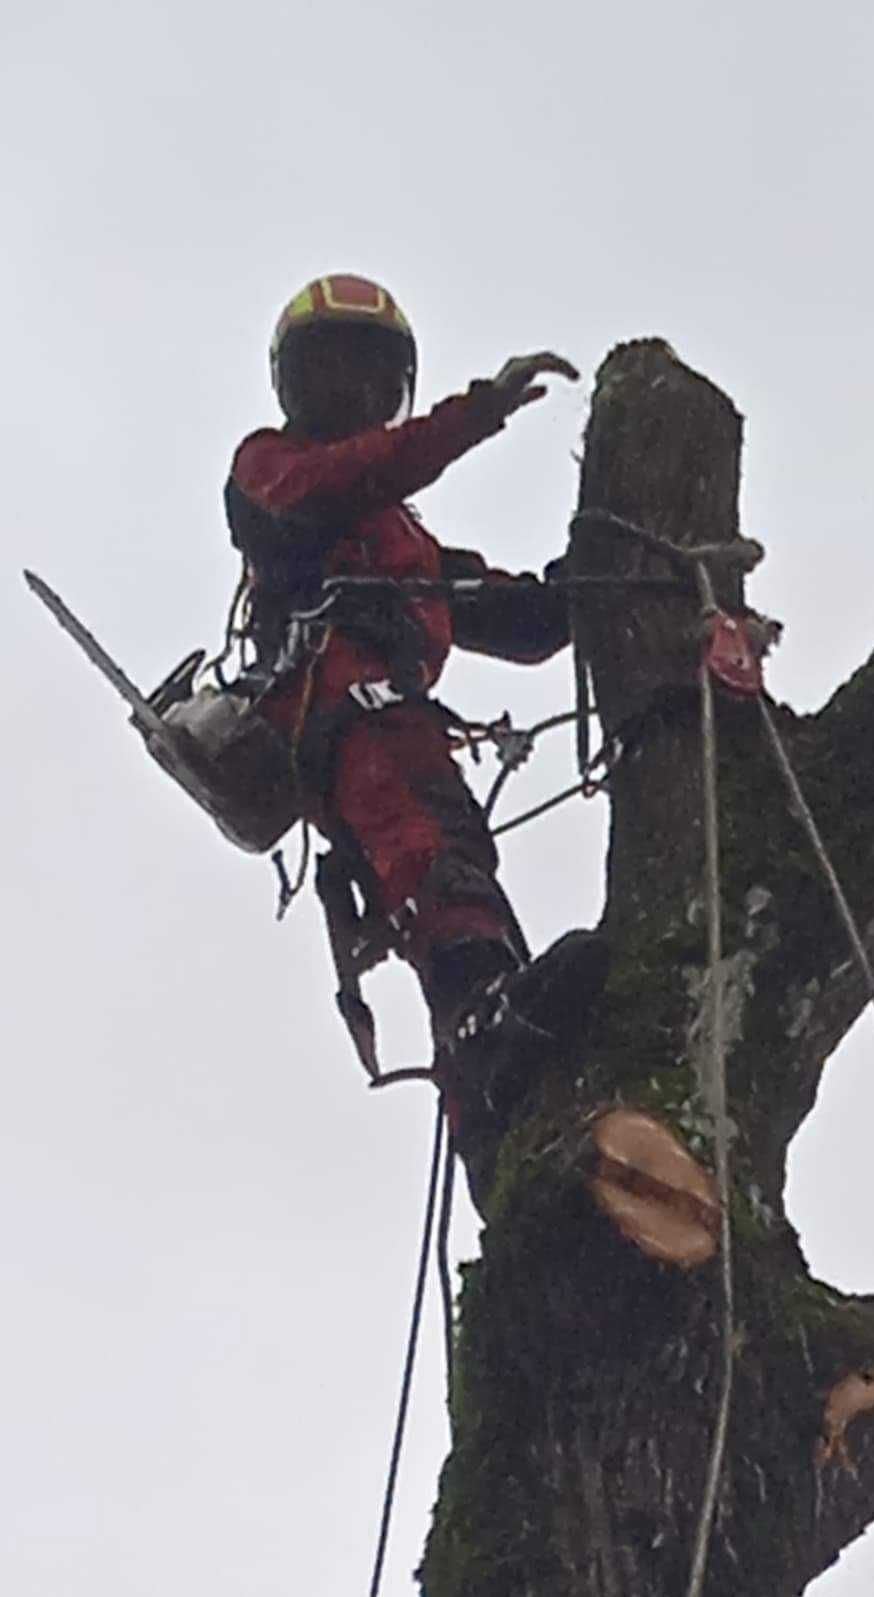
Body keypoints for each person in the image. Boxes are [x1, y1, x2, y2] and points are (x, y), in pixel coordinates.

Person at [225, 274, 597, 1113]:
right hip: (335, 711)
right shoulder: (271, 471)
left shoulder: (403, 546)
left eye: (371, 377)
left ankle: (495, 1056)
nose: (353, 395)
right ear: (293, 386)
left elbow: (527, 620)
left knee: (449, 844)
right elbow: (338, 483)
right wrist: (474, 415)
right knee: (425, 846)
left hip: (392, 719)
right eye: (333, 373)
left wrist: (621, 556)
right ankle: (480, 1012)